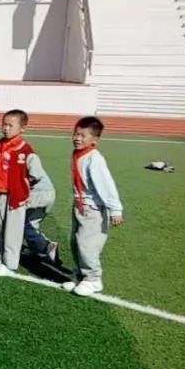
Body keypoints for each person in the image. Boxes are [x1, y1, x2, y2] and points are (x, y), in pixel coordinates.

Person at [63, 116, 124, 297]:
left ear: (95, 140)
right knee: (76, 242)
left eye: (83, 135)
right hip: (79, 205)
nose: (77, 138)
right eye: (75, 134)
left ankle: (93, 279)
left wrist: (115, 209)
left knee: (87, 245)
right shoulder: (78, 154)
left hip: (93, 209)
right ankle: (79, 276)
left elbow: (106, 185)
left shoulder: (94, 159)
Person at [0, 109, 48, 276]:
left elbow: (36, 173)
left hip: (14, 198)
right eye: (4, 124)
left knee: (12, 231)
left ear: (22, 128)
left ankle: (9, 265)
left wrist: (23, 186)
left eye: (10, 125)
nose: (6, 128)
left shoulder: (25, 150)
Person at [22, 165, 59, 264]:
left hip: (37, 193)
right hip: (49, 192)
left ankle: (46, 247)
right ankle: (37, 250)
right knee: (31, 224)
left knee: (18, 221)